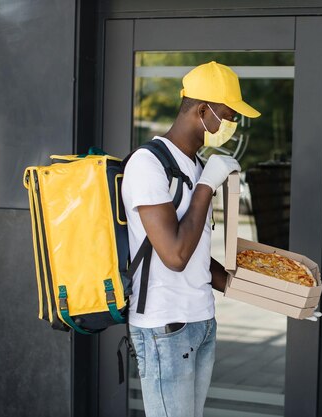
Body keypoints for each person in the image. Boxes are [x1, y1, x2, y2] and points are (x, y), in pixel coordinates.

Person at [122, 61, 260, 417]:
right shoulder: (148, 164)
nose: (232, 126)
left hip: (200, 321)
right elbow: (175, 255)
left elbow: (196, 255)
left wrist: (277, 296)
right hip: (165, 327)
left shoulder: (196, 165)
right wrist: (205, 186)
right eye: (229, 116)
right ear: (203, 111)